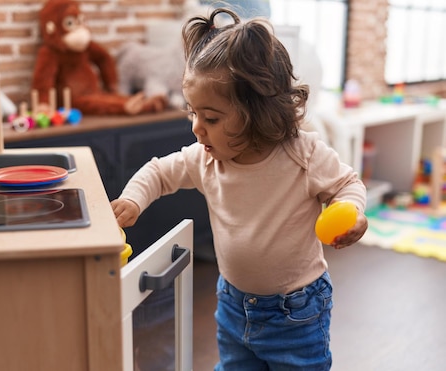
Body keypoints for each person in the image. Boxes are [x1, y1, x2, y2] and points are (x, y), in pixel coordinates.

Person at [111, 7, 368, 370]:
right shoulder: (205, 157)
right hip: (233, 303)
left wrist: (353, 214)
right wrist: (133, 199)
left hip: (296, 313)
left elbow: (347, 184)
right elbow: (159, 172)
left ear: (259, 110)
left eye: (211, 118)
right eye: (193, 113)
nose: (197, 128)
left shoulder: (303, 154)